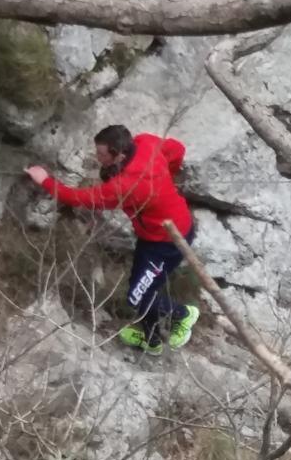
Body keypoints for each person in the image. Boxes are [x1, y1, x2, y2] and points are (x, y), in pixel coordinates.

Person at [24, 125, 200, 357]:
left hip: (167, 242)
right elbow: (177, 149)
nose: (97, 158)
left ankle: (184, 314)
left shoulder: (126, 186)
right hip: (163, 231)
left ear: (119, 153)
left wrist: (45, 180)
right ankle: (152, 339)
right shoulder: (145, 143)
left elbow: (77, 198)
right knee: (143, 285)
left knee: (138, 295)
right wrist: (167, 175)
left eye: (101, 154)